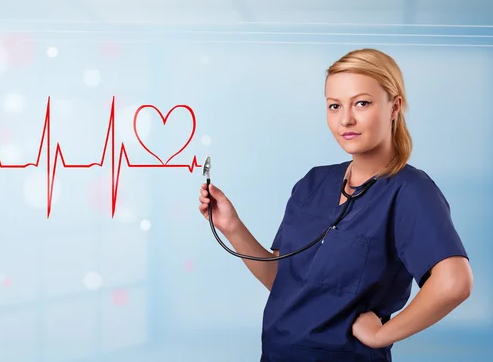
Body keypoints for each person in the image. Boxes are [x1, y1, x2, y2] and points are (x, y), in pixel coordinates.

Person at [198, 48, 473, 362]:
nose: (346, 119)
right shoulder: (312, 184)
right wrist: (232, 227)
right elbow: (283, 281)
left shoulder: (409, 191)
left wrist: (384, 333)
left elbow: (455, 282)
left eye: (362, 103)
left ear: (394, 107)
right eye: (334, 106)